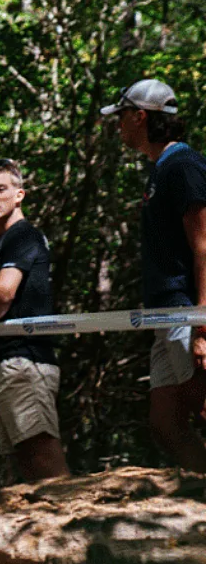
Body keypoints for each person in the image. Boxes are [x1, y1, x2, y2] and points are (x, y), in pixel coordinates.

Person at [103, 79, 206, 471]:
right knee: (166, 423)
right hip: (162, 312)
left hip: (186, 309)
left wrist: (202, 322)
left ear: (140, 117)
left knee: (201, 404)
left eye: (121, 116)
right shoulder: (161, 169)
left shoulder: (183, 166)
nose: (118, 125)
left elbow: (204, 246)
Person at [0, 160, 68, 481]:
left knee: (44, 459)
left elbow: (4, 294)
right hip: (2, 363)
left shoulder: (23, 236)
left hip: (24, 359)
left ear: (19, 195)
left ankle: (77, 513)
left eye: (0, 189)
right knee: (25, 465)